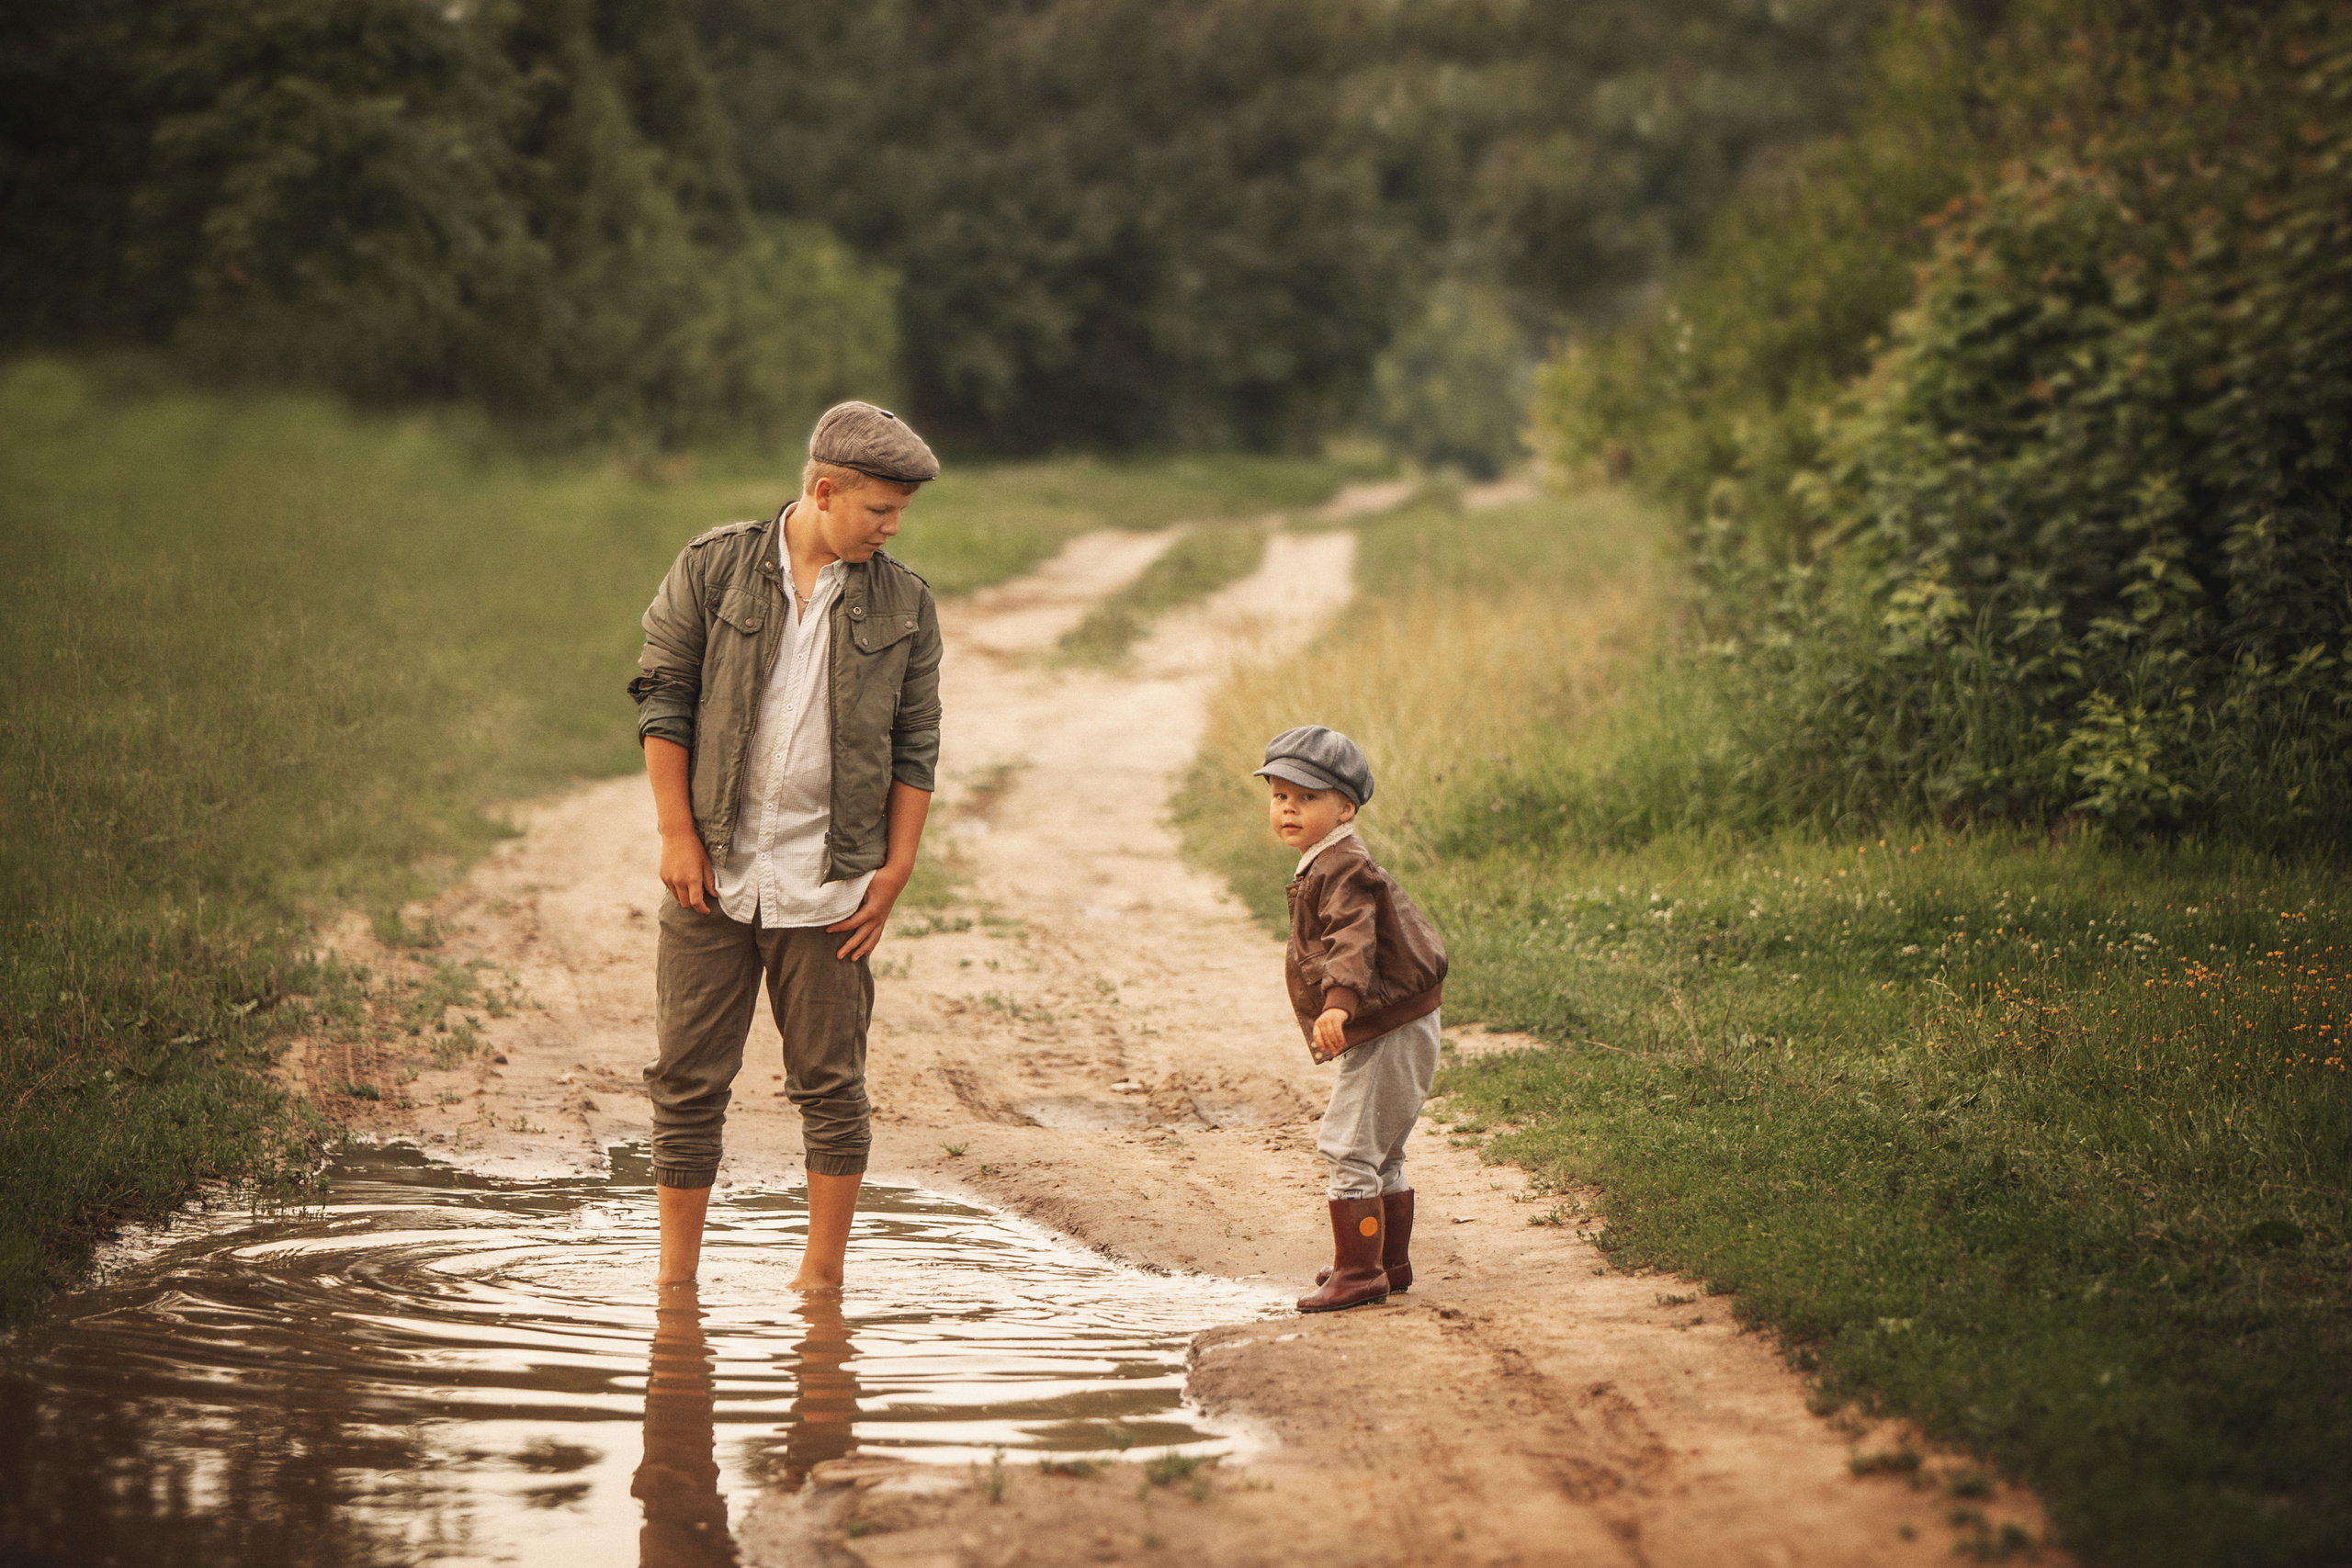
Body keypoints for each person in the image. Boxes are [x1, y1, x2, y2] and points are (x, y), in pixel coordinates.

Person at [628, 401, 944, 1292]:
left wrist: (896, 870)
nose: (891, 528)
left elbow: (917, 743)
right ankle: (674, 1286)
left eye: (900, 515)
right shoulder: (711, 567)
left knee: (832, 1087)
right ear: (824, 489)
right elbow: (663, 696)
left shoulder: (907, 603)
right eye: (878, 510)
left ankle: (821, 1285)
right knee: (686, 1081)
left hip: (829, 885)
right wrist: (677, 835)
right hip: (711, 881)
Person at [1257, 726, 1449, 1313]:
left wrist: (1338, 1002)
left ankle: (1359, 1273)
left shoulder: (1340, 868)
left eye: (1307, 797)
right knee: (1382, 1148)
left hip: (1386, 1024)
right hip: (1400, 1020)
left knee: (1349, 1147)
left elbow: (1353, 938)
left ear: (1345, 807)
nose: (1289, 807)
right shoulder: (1327, 860)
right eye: (1279, 795)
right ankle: (1386, 1262)